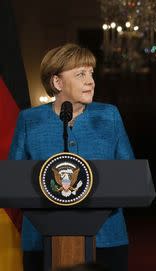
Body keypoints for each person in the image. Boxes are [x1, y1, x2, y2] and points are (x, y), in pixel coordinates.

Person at [8, 43, 134, 271]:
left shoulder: (109, 115)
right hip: (40, 241)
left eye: (91, 73)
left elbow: (128, 174)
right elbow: (13, 180)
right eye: (80, 74)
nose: (90, 81)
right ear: (57, 82)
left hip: (106, 237)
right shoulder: (29, 120)